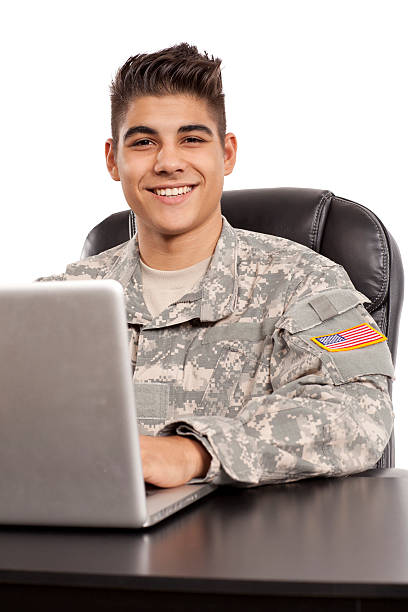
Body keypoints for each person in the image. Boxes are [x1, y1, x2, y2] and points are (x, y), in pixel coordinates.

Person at [37, 42, 395, 488]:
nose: (168, 163)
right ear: (114, 159)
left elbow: (361, 410)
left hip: (246, 549)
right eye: (144, 142)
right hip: (78, 546)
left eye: (191, 139)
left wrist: (194, 452)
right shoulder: (60, 301)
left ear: (226, 153)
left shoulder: (306, 282)